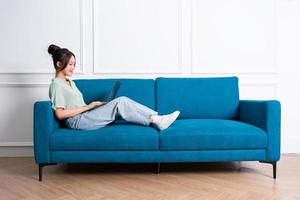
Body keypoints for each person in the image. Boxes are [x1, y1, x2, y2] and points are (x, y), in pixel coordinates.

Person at [48, 44, 180, 131]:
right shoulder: (56, 85)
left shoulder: (70, 82)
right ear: (59, 64)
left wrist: (95, 107)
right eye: (70, 64)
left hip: (85, 116)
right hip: (77, 122)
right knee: (120, 102)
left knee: (120, 103)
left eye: (74, 64)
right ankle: (157, 120)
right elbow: (59, 114)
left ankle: (156, 119)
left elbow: (76, 106)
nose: (73, 68)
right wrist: (89, 107)